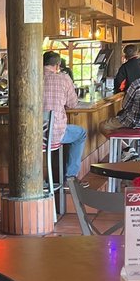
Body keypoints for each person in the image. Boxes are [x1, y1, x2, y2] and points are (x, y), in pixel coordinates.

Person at [42, 51, 87, 187]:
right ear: (57, 65)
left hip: (31, 135)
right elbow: (73, 103)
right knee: (81, 134)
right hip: (55, 133)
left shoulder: (31, 78)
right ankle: (70, 177)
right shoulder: (64, 78)